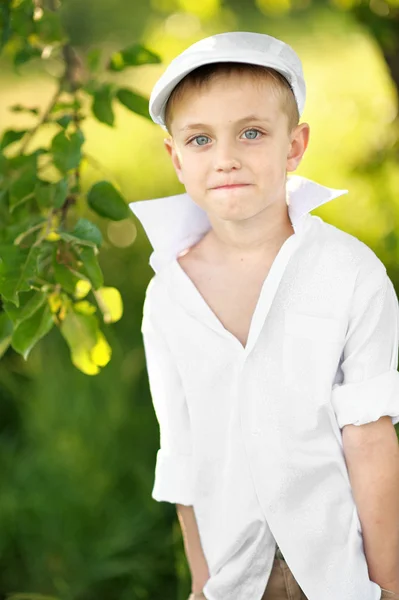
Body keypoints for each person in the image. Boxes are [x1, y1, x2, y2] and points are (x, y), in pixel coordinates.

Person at [129, 31, 399, 600]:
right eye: (200, 139)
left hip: (337, 573)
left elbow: (370, 439)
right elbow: (182, 451)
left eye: (251, 133)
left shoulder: (350, 273)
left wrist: (387, 584)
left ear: (294, 146)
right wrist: (202, 582)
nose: (226, 158)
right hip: (232, 578)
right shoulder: (168, 296)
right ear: (175, 158)